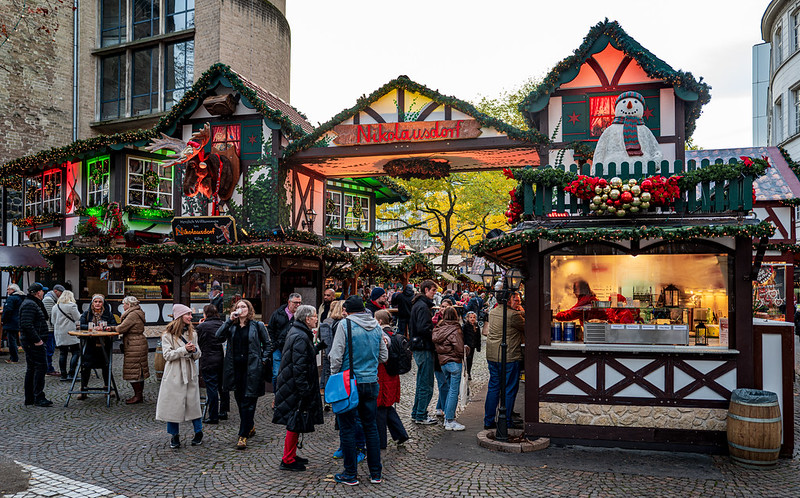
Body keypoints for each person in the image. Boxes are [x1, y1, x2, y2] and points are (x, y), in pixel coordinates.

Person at [329, 296, 388, 486]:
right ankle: (375, 474)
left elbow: (336, 356)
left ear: (347, 310)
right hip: (371, 382)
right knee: (370, 427)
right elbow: (384, 356)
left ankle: (350, 474)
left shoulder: (344, 325)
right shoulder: (376, 326)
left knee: (347, 428)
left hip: (350, 382)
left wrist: (334, 375)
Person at [273, 305, 325, 471]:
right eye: (315, 316)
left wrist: (317, 347)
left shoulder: (299, 332)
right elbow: (299, 366)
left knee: (295, 421)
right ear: (307, 318)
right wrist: (305, 391)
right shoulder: (301, 336)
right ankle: (287, 459)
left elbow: (303, 356)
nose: (317, 319)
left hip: (293, 385)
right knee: (294, 421)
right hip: (295, 387)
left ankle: (291, 455)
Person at [216, 299, 271, 450]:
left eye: (244, 306)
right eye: (238, 306)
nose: (241, 309)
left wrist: (263, 361)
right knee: (240, 401)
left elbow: (267, 344)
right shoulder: (232, 326)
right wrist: (229, 321)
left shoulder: (257, 325)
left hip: (252, 369)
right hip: (235, 369)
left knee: (249, 402)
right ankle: (250, 426)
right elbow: (218, 337)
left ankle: (243, 435)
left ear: (249, 309)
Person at [155, 304, 203, 449]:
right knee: (173, 405)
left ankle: (198, 432)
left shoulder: (192, 333)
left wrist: (194, 350)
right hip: (174, 373)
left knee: (193, 404)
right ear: (179, 317)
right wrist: (184, 349)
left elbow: (198, 354)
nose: (190, 317)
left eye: (190, 314)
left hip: (189, 371)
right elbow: (167, 355)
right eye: (187, 314)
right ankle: (174, 435)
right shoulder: (167, 335)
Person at [484, 291, 525, 430]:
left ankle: (488, 420)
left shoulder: (493, 311)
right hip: (509, 356)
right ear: (508, 300)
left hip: (492, 355)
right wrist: (522, 312)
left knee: (494, 387)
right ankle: (506, 421)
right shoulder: (514, 315)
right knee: (509, 388)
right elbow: (527, 327)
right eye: (515, 300)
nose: (518, 302)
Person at [374, 310, 409, 449]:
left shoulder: (380, 335)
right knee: (386, 407)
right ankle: (400, 434)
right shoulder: (395, 335)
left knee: (381, 408)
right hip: (392, 375)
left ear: (380, 321)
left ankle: (381, 442)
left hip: (382, 375)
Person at [108, 296, 149, 404]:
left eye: (124, 304)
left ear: (129, 304)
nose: (123, 306)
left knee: (133, 370)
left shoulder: (132, 315)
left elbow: (121, 328)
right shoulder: (137, 312)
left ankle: (138, 395)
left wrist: (111, 328)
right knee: (138, 370)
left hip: (134, 344)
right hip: (138, 342)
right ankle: (139, 395)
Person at [432, 307, 468, 431]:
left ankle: (448, 417)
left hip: (443, 363)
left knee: (448, 390)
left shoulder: (438, 328)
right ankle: (450, 420)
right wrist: (466, 350)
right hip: (453, 362)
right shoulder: (455, 329)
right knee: (453, 391)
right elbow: (459, 349)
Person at [409, 279, 439, 425]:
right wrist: (435, 333)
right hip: (424, 347)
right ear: (426, 290)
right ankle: (421, 414)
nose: (435, 293)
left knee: (422, 382)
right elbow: (423, 328)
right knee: (426, 384)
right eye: (433, 290)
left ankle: (417, 413)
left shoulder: (419, 304)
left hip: (420, 347)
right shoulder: (422, 306)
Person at [77, 294, 118, 400]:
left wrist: (106, 327)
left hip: (104, 344)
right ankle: (83, 388)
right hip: (90, 344)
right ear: (92, 303)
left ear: (103, 303)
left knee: (106, 365)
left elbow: (114, 325)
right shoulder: (87, 314)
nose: (98, 304)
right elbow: (80, 325)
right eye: (96, 302)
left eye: (100, 302)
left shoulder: (108, 314)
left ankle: (108, 387)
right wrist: (93, 327)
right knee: (86, 365)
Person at [18, 283, 52, 407]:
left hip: (32, 341)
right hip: (33, 342)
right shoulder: (29, 304)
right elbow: (27, 324)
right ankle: (38, 396)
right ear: (38, 292)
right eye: (42, 291)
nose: (43, 293)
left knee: (32, 368)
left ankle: (31, 397)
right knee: (39, 367)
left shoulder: (33, 303)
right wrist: (37, 340)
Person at [196, 304, 228, 424]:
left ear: (205, 314)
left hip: (208, 359)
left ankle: (213, 415)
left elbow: (197, 341)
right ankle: (223, 411)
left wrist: (199, 326)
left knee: (212, 388)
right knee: (222, 386)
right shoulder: (222, 324)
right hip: (220, 358)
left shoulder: (202, 327)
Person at [268, 293, 301, 390]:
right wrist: (274, 344)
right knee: (276, 374)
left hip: (294, 349)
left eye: (299, 303)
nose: (298, 305)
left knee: (292, 375)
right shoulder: (277, 313)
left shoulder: (301, 315)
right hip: (279, 348)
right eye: (295, 303)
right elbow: (270, 329)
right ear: (289, 302)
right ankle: (276, 395)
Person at [49, 290, 81, 382]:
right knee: (75, 352)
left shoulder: (55, 306)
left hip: (59, 332)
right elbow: (78, 318)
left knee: (63, 353)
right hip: (71, 332)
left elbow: (52, 321)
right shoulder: (72, 306)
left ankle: (63, 375)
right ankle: (71, 373)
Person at [319, 299, 344, 393]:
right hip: (333, 354)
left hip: (333, 354)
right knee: (328, 373)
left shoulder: (338, 322)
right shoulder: (333, 323)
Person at [41, 283, 64, 376]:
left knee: (49, 349)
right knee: (49, 350)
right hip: (49, 329)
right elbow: (50, 316)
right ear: (56, 291)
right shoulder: (48, 300)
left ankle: (48, 368)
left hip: (50, 328)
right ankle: (48, 369)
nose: (62, 295)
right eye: (61, 292)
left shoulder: (52, 299)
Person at [3, 283, 26, 364]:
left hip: (11, 322)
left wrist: (3, 320)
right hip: (19, 321)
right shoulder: (21, 297)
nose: (7, 291)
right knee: (16, 339)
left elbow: (7, 310)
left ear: (13, 290)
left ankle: (14, 358)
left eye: (8, 289)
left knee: (11, 340)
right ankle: (14, 357)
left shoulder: (12, 298)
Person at [462, 311, 482, 380]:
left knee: (470, 360)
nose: (472, 319)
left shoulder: (476, 326)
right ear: (467, 318)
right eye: (470, 317)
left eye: (473, 317)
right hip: (466, 345)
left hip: (472, 346)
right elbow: (462, 336)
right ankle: (465, 372)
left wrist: (478, 346)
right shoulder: (465, 326)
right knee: (466, 360)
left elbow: (478, 337)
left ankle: (468, 372)